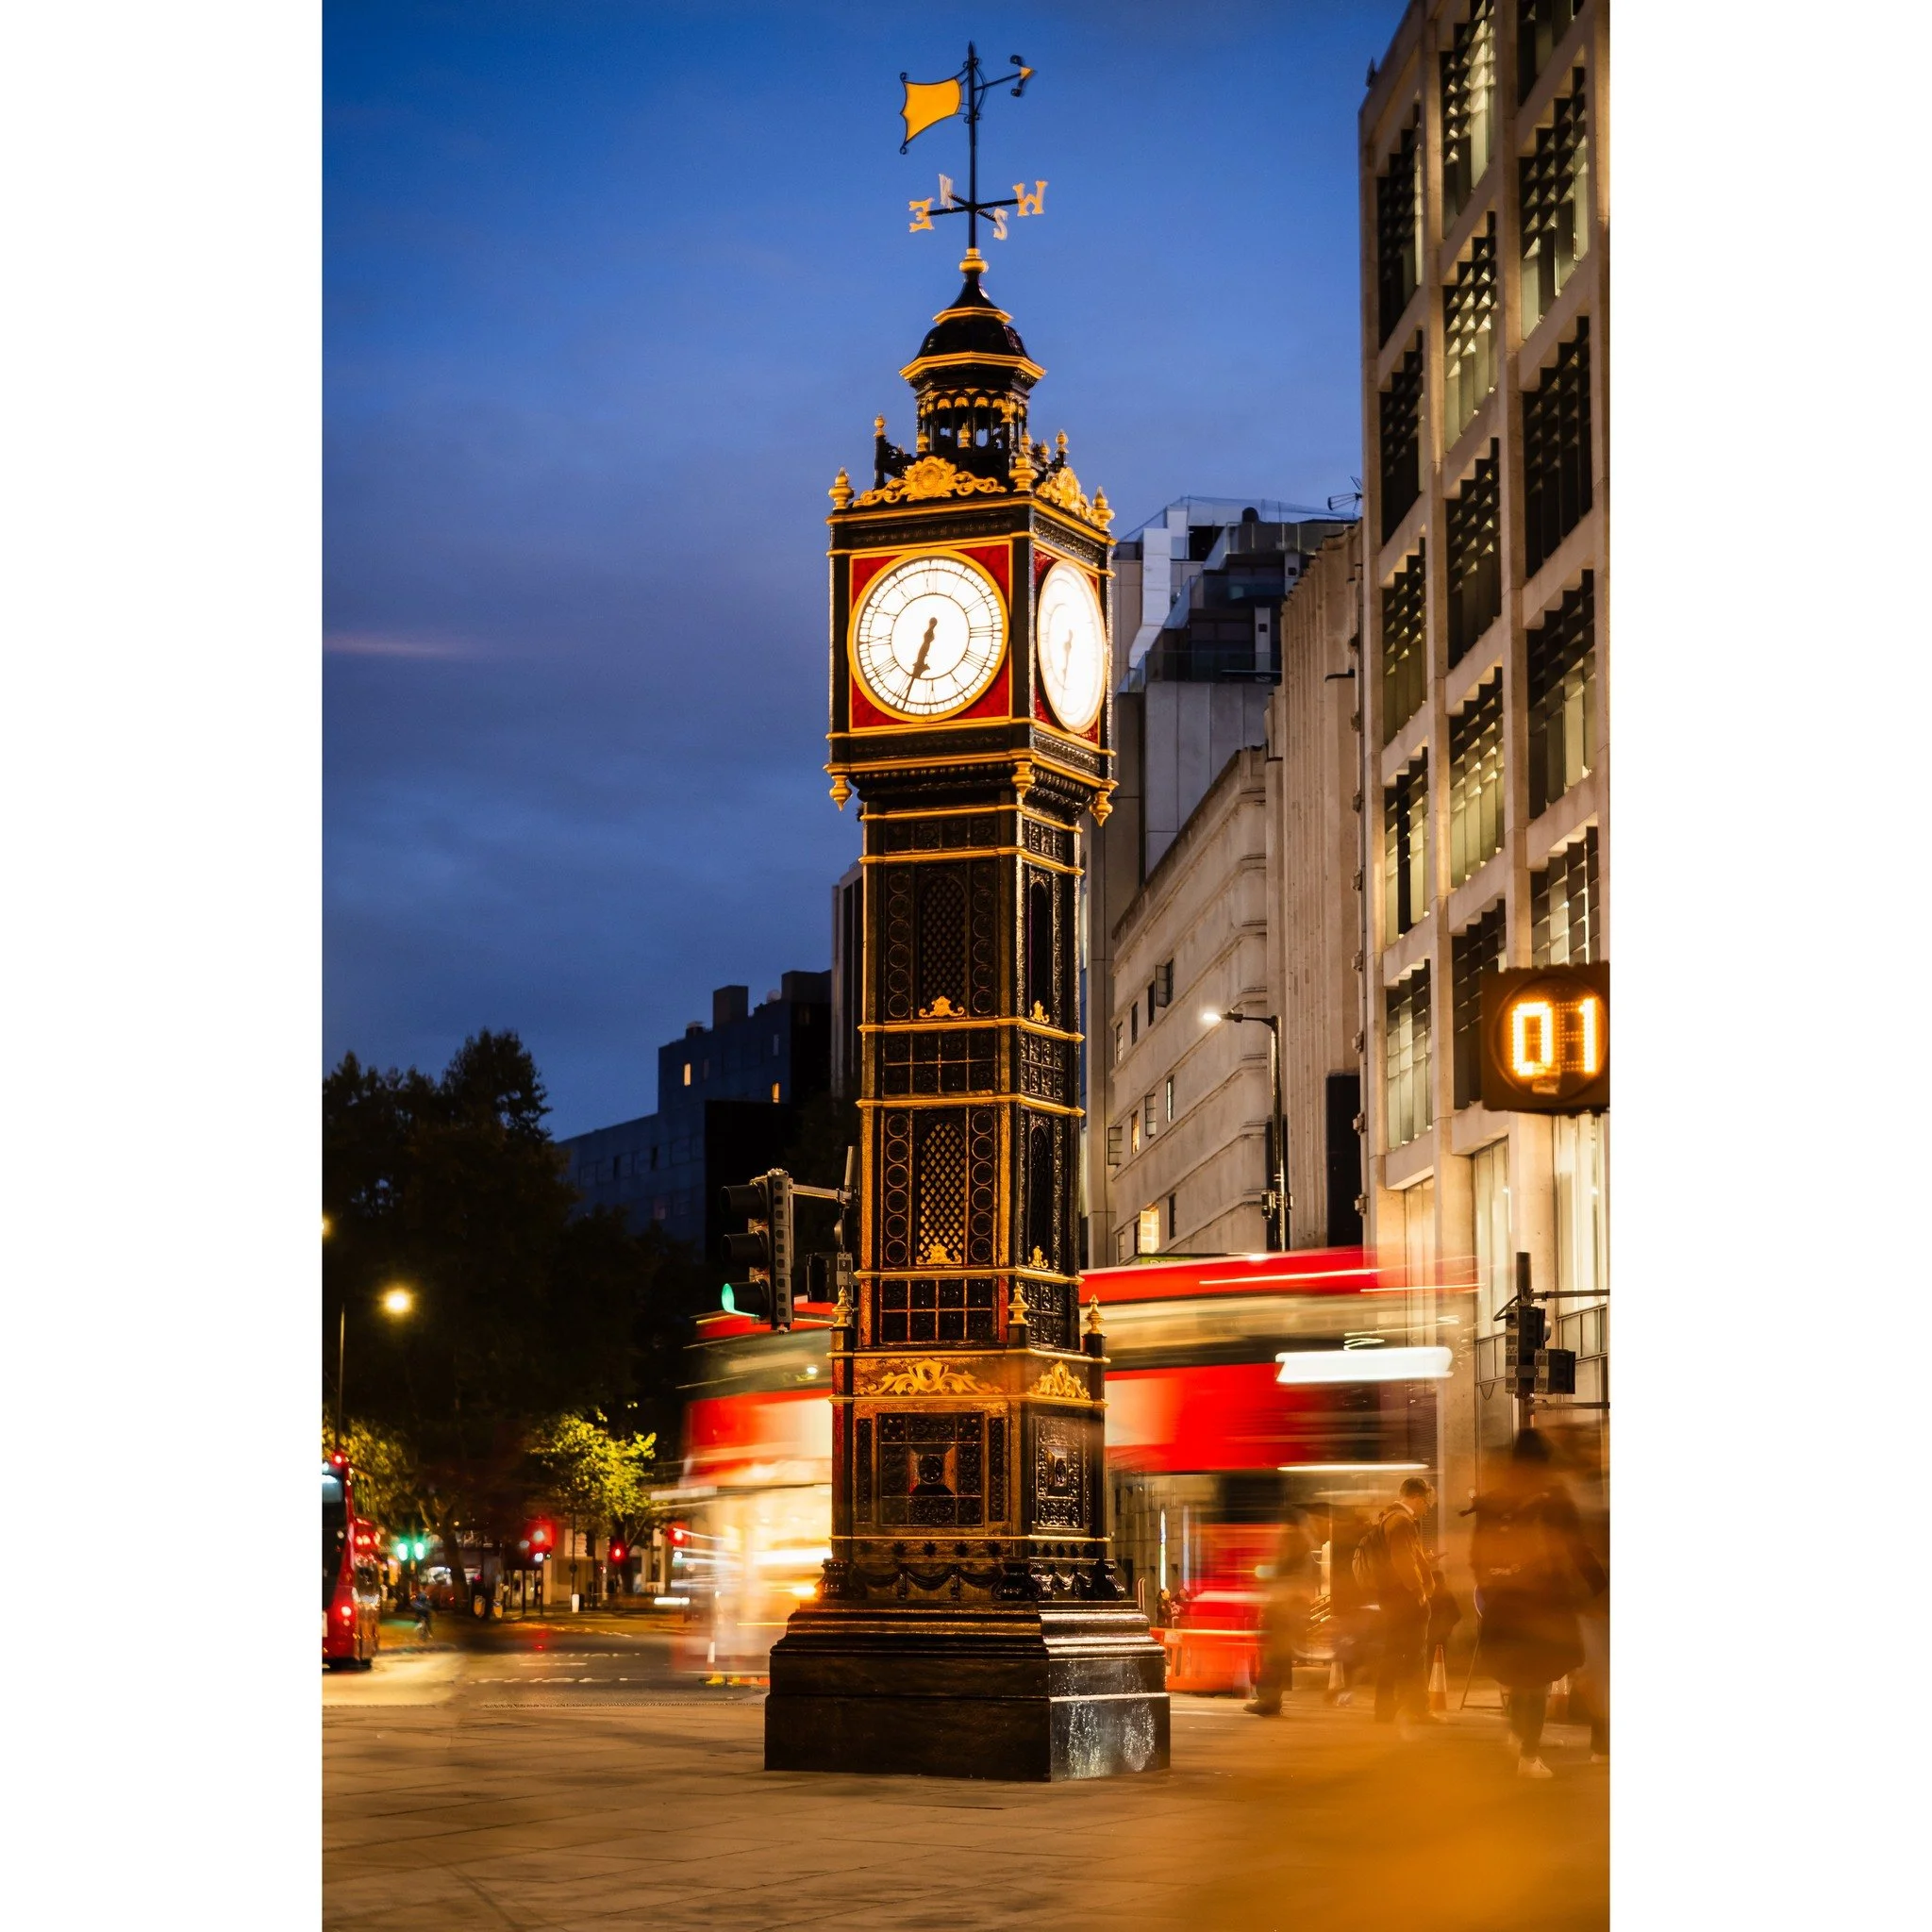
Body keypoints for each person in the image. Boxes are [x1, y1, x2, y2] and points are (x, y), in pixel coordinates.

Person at [1471, 1428, 1607, 1779]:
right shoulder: (1552, 1498)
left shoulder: (1492, 1500)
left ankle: (1521, 1738)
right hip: (1542, 1601)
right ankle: (1529, 1755)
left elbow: (1476, 1557)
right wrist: (1600, 1588)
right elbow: (1578, 1549)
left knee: (1519, 1679)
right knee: (1537, 1680)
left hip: (1503, 1603)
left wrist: (1492, 1590)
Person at [1360, 1476, 1438, 1732]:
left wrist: (1424, 1560)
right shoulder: (1402, 1521)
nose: (1427, 1508)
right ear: (1416, 1498)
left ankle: (1386, 1709)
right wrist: (1418, 1591)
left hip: (1391, 1596)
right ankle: (1416, 1708)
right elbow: (1402, 1560)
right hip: (1405, 1598)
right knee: (1414, 1654)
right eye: (1427, 1503)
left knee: (1394, 1652)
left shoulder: (1387, 1518)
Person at [1246, 1508, 1318, 1716]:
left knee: (1273, 1655)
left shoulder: (1293, 1543)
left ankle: (1268, 1700)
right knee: (1279, 1656)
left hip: (1282, 1607)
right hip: (1288, 1607)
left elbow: (1280, 1573)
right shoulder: (1302, 1544)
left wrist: (1261, 1573)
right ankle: (1272, 1700)